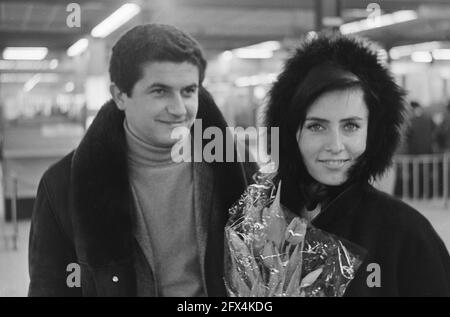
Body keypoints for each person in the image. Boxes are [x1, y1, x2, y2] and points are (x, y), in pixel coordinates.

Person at [28, 24, 256, 297]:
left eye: (188, 91)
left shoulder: (235, 164)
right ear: (120, 95)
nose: (178, 109)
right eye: (159, 91)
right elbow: (50, 288)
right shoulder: (63, 186)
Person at [259, 33, 450, 296]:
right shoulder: (260, 223)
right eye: (316, 126)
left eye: (351, 126)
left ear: (372, 132)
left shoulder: (404, 233)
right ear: (291, 132)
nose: (335, 144)